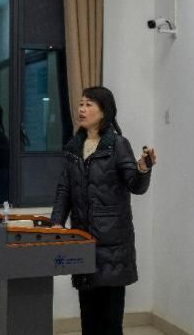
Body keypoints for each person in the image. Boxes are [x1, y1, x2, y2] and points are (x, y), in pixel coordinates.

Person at [51, 86, 156, 335]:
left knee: (110, 322)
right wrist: (56, 223)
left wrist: (143, 168)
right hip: (82, 240)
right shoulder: (73, 147)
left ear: (104, 111)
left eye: (88, 104)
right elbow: (65, 189)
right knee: (89, 320)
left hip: (112, 245)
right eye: (81, 104)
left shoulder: (117, 144)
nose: (81, 109)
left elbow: (135, 185)